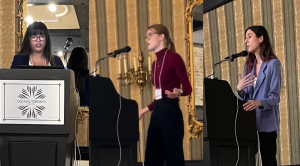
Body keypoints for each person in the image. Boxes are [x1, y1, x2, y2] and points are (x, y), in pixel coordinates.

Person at [139, 24, 192, 166]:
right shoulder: (154, 64)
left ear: (162, 37)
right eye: (146, 36)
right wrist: (143, 111)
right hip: (157, 113)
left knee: (173, 157)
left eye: (150, 34)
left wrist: (179, 92)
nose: (147, 39)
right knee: (152, 157)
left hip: (171, 112)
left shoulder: (174, 58)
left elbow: (187, 87)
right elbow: (159, 96)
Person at [237, 25, 281, 166]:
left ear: (261, 38)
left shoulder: (274, 64)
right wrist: (239, 89)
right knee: (248, 160)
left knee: (268, 160)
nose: (246, 40)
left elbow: (275, 97)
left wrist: (258, 103)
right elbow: (244, 99)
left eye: (249, 36)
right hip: (249, 123)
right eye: (245, 37)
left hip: (267, 123)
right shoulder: (248, 66)